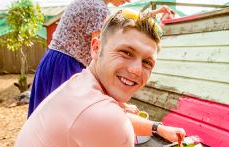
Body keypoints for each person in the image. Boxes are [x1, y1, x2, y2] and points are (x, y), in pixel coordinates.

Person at [8, 10, 185, 147]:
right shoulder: (103, 116)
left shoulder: (82, 83)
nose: (136, 70)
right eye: (126, 52)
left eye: (147, 62)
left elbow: (112, 118)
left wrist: (158, 128)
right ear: (96, 47)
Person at [28, 0, 174, 117]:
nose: (128, 0)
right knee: (66, 119)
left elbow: (126, 19)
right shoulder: (98, 9)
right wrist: (118, 106)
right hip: (66, 67)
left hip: (53, 61)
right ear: (95, 46)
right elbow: (105, 54)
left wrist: (154, 13)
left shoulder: (93, 3)